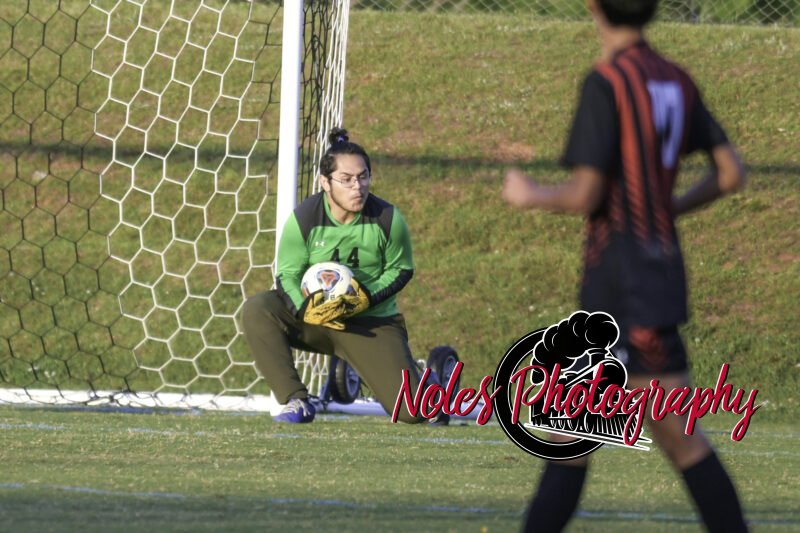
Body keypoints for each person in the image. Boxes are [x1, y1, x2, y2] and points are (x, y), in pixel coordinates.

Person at [501, 0, 748, 531]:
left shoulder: (607, 81)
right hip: (656, 272)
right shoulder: (675, 78)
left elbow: (587, 193)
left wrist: (529, 194)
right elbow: (730, 173)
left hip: (620, 280)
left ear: (593, 7)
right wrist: (667, 206)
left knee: (660, 435)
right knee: (580, 431)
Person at [242, 127, 446, 425]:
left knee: (414, 413)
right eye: (346, 180)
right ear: (325, 182)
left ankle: (436, 381)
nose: (358, 187)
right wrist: (305, 309)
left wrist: (358, 301)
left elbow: (401, 270)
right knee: (258, 308)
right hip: (316, 321)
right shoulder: (305, 218)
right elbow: (287, 273)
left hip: (370, 324)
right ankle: (296, 400)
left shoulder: (388, 219)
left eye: (363, 177)